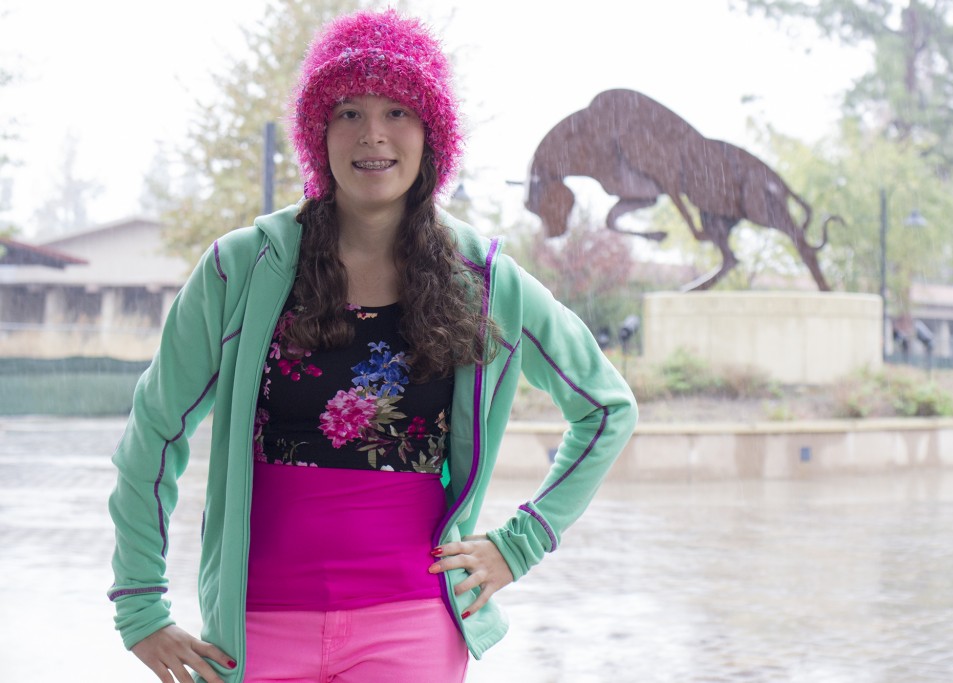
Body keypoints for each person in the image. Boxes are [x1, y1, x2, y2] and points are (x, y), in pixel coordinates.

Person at [108, 8, 637, 683]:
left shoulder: (486, 280)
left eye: (397, 111)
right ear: (317, 132)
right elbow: (153, 432)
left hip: (413, 630)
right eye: (349, 112)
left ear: (431, 133)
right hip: (255, 632)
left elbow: (607, 408)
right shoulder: (238, 270)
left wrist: (522, 541)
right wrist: (140, 606)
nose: (373, 136)